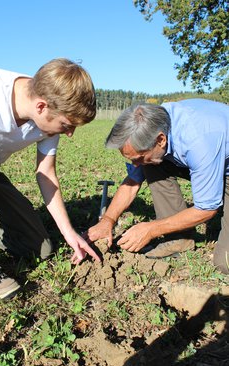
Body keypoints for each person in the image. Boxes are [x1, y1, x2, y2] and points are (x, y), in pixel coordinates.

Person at [0, 58, 100, 300]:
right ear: (41, 107)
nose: (69, 134)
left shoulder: (48, 119)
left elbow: (45, 173)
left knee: (38, 246)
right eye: (67, 125)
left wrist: (69, 233)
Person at [86, 99, 229, 274]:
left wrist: (152, 229)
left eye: (137, 158)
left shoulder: (198, 140)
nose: (135, 165)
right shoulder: (155, 123)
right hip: (207, 157)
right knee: (150, 164)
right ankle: (178, 240)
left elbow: (207, 208)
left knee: (225, 263)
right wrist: (107, 221)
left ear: (161, 140)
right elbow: (132, 182)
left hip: (218, 158)